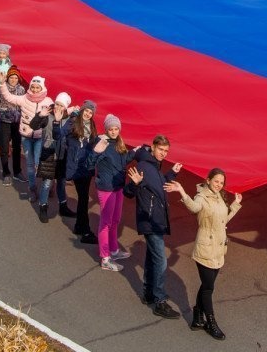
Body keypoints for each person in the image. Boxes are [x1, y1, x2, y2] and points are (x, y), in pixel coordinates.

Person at [166, 168, 243, 340]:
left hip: (218, 248)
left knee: (207, 286)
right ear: (208, 180)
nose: (219, 185)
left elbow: (223, 220)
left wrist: (235, 204)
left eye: (221, 183)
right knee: (208, 288)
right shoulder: (201, 197)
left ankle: (196, 317)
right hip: (205, 248)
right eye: (216, 181)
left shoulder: (219, 197)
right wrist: (182, 191)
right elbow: (194, 208)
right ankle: (211, 323)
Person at [125, 135, 183, 319]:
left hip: (157, 219)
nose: (163, 154)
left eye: (166, 151)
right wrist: (134, 184)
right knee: (161, 261)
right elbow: (128, 192)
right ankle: (159, 301)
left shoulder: (154, 166)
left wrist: (172, 174)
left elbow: (157, 186)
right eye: (161, 150)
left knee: (152, 258)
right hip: (149, 220)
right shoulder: (143, 165)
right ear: (153, 147)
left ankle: (148, 293)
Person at [0, 74, 53, 208]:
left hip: (40, 138)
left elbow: (58, 113)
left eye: (37, 87)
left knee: (39, 164)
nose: (34, 89)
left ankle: (48, 185)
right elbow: (9, 97)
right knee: (29, 166)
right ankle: (32, 189)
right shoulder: (24, 99)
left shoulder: (48, 101)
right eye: (32, 87)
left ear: (42, 88)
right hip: (26, 137)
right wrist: (2, 84)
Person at [90, 114, 135, 271]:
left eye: (116, 128)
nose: (114, 131)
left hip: (118, 187)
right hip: (106, 188)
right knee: (105, 222)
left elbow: (122, 162)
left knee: (115, 220)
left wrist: (134, 152)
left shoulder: (119, 143)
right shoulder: (101, 142)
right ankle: (105, 258)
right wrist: (95, 152)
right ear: (106, 129)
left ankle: (114, 250)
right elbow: (90, 163)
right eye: (111, 129)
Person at [65, 100, 100, 243]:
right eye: (86, 110)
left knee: (83, 198)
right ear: (82, 110)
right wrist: (70, 116)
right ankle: (85, 231)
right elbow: (61, 134)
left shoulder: (91, 126)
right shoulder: (73, 123)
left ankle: (79, 226)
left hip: (87, 167)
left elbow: (93, 142)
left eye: (90, 112)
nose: (87, 114)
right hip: (77, 167)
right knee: (84, 198)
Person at [0, 68, 26, 185]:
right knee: (4, 148)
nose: (13, 80)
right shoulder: (1, 88)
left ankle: (17, 172)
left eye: (15, 78)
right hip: (4, 122)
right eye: (11, 77)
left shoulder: (21, 89)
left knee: (17, 147)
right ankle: (6, 173)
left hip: (17, 122)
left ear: (18, 79)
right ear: (8, 78)